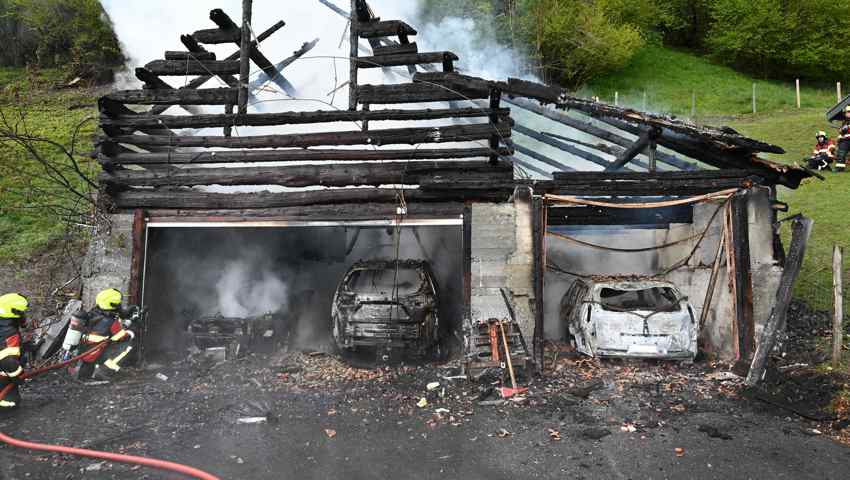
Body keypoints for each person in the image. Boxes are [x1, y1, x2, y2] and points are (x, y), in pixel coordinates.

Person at [64, 289, 138, 381]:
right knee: (127, 347)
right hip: (94, 352)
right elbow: (121, 337)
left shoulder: (93, 313)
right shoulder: (111, 321)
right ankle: (99, 373)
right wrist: (131, 331)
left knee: (90, 359)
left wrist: (125, 314)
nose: (120, 305)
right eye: (119, 303)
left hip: (83, 348)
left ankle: (80, 373)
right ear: (113, 304)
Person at [0, 293, 28, 409]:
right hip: (3, 381)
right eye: (22, 312)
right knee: (11, 402)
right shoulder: (9, 333)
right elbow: (8, 362)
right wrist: (19, 376)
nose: (24, 316)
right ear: (14, 313)